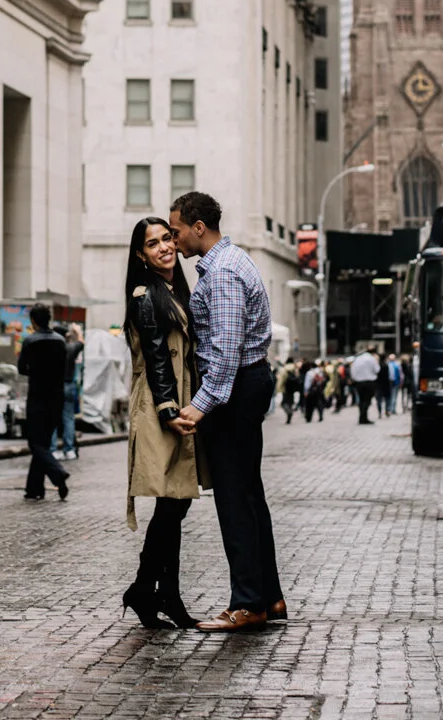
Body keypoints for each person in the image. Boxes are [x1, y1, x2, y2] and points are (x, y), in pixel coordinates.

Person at [170, 191, 285, 635]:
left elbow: (225, 350)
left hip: (236, 390)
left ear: (199, 227)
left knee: (236, 499)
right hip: (246, 385)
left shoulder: (220, 274)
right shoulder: (231, 261)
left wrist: (199, 407)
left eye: (177, 230)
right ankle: (269, 596)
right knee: (250, 496)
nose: (175, 240)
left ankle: (248, 604)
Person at [123, 216, 208, 630]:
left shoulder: (176, 290)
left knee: (176, 501)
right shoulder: (145, 295)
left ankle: (150, 590)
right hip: (161, 406)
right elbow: (157, 358)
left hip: (179, 400)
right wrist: (170, 411)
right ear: (141, 254)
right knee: (172, 501)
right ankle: (156, 592)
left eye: (167, 239)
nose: (164, 247)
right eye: (153, 243)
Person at [17, 305, 70, 502]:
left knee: (35, 443)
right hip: (56, 397)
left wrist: (36, 372)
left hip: (37, 396)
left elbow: (22, 368)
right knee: (43, 443)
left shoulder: (30, 340)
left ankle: (58, 473)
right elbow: (63, 369)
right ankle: (35, 488)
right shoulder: (60, 341)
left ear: (33, 321)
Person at [51, 322, 84, 461]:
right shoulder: (70, 348)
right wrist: (77, 331)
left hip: (53, 385)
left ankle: (52, 449)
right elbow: (81, 342)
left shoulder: (51, 350)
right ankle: (69, 449)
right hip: (68, 384)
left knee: (52, 419)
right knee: (68, 418)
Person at [350, 346, 380, 424]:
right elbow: (377, 370)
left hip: (359, 382)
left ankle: (362, 417)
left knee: (361, 400)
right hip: (369, 382)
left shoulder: (357, 359)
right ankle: (363, 417)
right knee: (367, 401)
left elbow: (353, 371)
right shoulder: (372, 359)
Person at [276, 358, 300, 424]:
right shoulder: (295, 368)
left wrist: (278, 388)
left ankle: (289, 413)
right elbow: (298, 377)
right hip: (293, 389)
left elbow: (281, 380)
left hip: (285, 388)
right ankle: (289, 418)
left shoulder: (284, 369)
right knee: (290, 403)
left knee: (283, 403)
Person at [375, 353, 391, 418]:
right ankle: (387, 410)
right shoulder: (386, 366)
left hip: (378, 385)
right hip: (386, 384)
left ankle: (379, 412)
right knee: (387, 399)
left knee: (379, 400)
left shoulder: (377, 366)